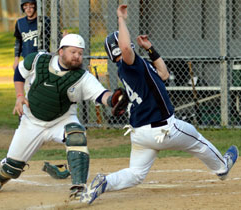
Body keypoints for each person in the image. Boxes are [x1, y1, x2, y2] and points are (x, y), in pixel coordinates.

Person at [80, 4, 239, 204]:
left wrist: (151, 49)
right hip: (164, 129)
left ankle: (105, 182)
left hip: (142, 134)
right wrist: (121, 18)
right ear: (118, 48)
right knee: (198, 141)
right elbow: (126, 48)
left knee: (136, 174)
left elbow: (163, 74)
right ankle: (222, 168)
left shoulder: (134, 67)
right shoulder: (129, 64)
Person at [0, 34, 128, 200]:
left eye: (80, 53)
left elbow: (102, 95)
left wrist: (114, 100)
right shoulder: (38, 60)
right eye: (73, 52)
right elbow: (19, 74)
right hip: (31, 121)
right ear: (61, 51)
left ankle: (78, 187)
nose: (77, 56)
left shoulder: (82, 77)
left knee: (76, 134)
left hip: (62, 120)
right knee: (12, 169)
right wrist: (20, 96)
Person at [13, 0, 51, 71]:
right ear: (22, 7)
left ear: (36, 6)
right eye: (25, 6)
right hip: (27, 60)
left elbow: (55, 36)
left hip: (43, 59)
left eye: (31, 5)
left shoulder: (45, 20)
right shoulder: (20, 22)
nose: (28, 9)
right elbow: (18, 41)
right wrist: (16, 60)